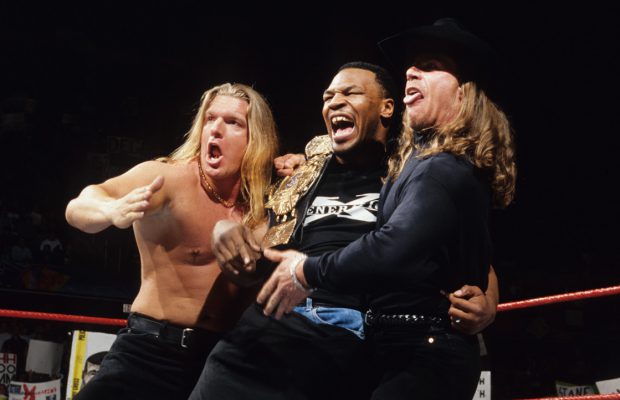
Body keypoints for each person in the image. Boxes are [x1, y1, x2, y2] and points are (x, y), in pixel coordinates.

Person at [190, 62, 499, 400]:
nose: (335, 101)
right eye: (328, 96)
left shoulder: (411, 170)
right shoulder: (305, 174)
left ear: (387, 107)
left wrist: (488, 303)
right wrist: (227, 231)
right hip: (276, 316)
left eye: (350, 93)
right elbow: (263, 240)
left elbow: (451, 243)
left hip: (352, 328)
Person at [259, 19, 516, 399]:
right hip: (375, 344)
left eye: (429, 66)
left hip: (418, 344)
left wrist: (305, 270)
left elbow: (405, 244)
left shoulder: (441, 167)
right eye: (411, 66)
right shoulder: (393, 165)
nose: (410, 71)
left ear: (464, 91)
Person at [65, 83, 278, 399]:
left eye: (233, 122)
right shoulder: (167, 179)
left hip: (224, 360)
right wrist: (111, 210)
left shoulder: (270, 204)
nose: (215, 129)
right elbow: (79, 206)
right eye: (210, 119)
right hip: (150, 352)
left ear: (255, 139)